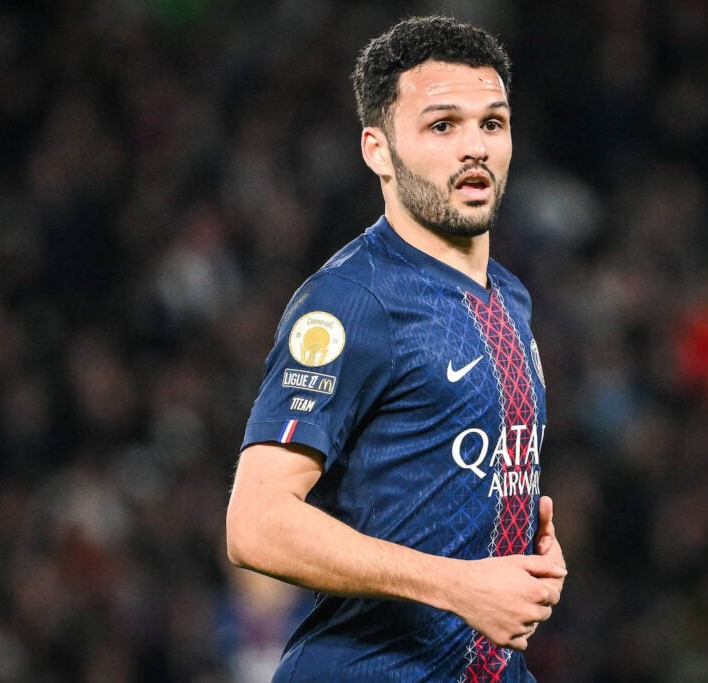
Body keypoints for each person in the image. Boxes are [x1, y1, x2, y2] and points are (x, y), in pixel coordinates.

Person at [225, 15, 566, 682]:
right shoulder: (351, 301)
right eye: (443, 125)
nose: (475, 147)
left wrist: (522, 555)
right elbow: (256, 522)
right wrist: (460, 585)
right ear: (378, 150)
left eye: (491, 123)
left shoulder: (510, 299)